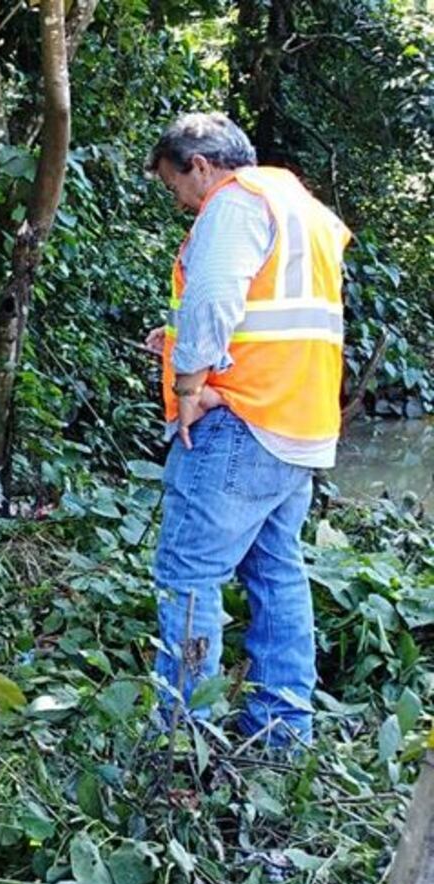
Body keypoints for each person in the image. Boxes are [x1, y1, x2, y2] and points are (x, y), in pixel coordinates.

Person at [143, 112, 351, 746]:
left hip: (240, 417)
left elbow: (213, 300)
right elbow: (271, 317)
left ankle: (185, 739)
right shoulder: (299, 205)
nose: (177, 200)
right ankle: (284, 734)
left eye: (173, 184)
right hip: (299, 422)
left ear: (200, 164)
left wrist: (187, 389)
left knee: (187, 574)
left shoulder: (233, 206)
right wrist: (178, 343)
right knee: (276, 572)